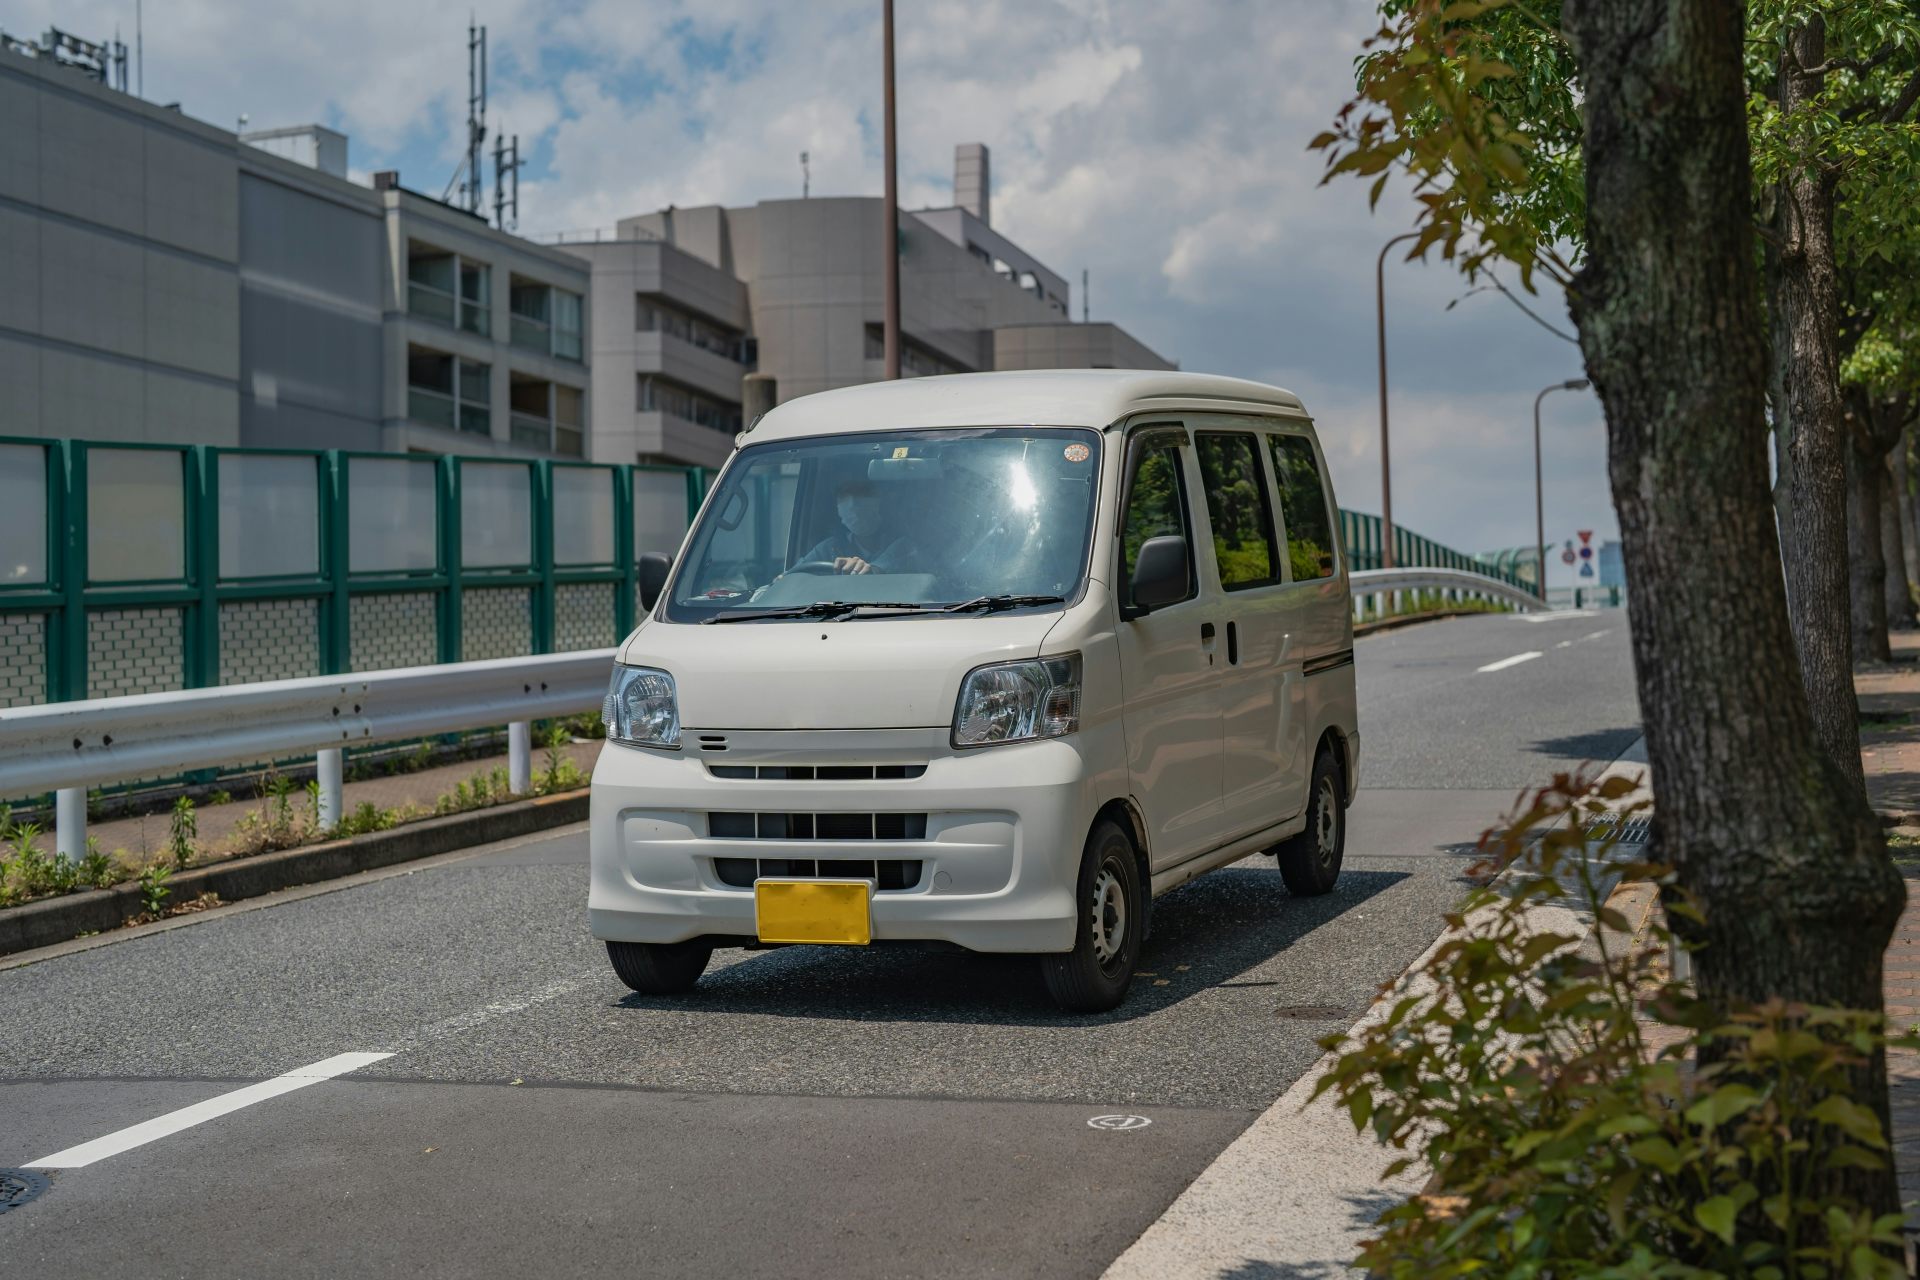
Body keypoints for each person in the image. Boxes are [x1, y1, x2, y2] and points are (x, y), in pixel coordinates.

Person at [796, 478, 917, 575]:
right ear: (839, 511)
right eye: (844, 501)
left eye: (861, 499)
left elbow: (889, 563)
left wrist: (869, 569)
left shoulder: (904, 544)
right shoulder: (829, 548)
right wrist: (785, 578)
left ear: (878, 504)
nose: (853, 509)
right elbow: (794, 575)